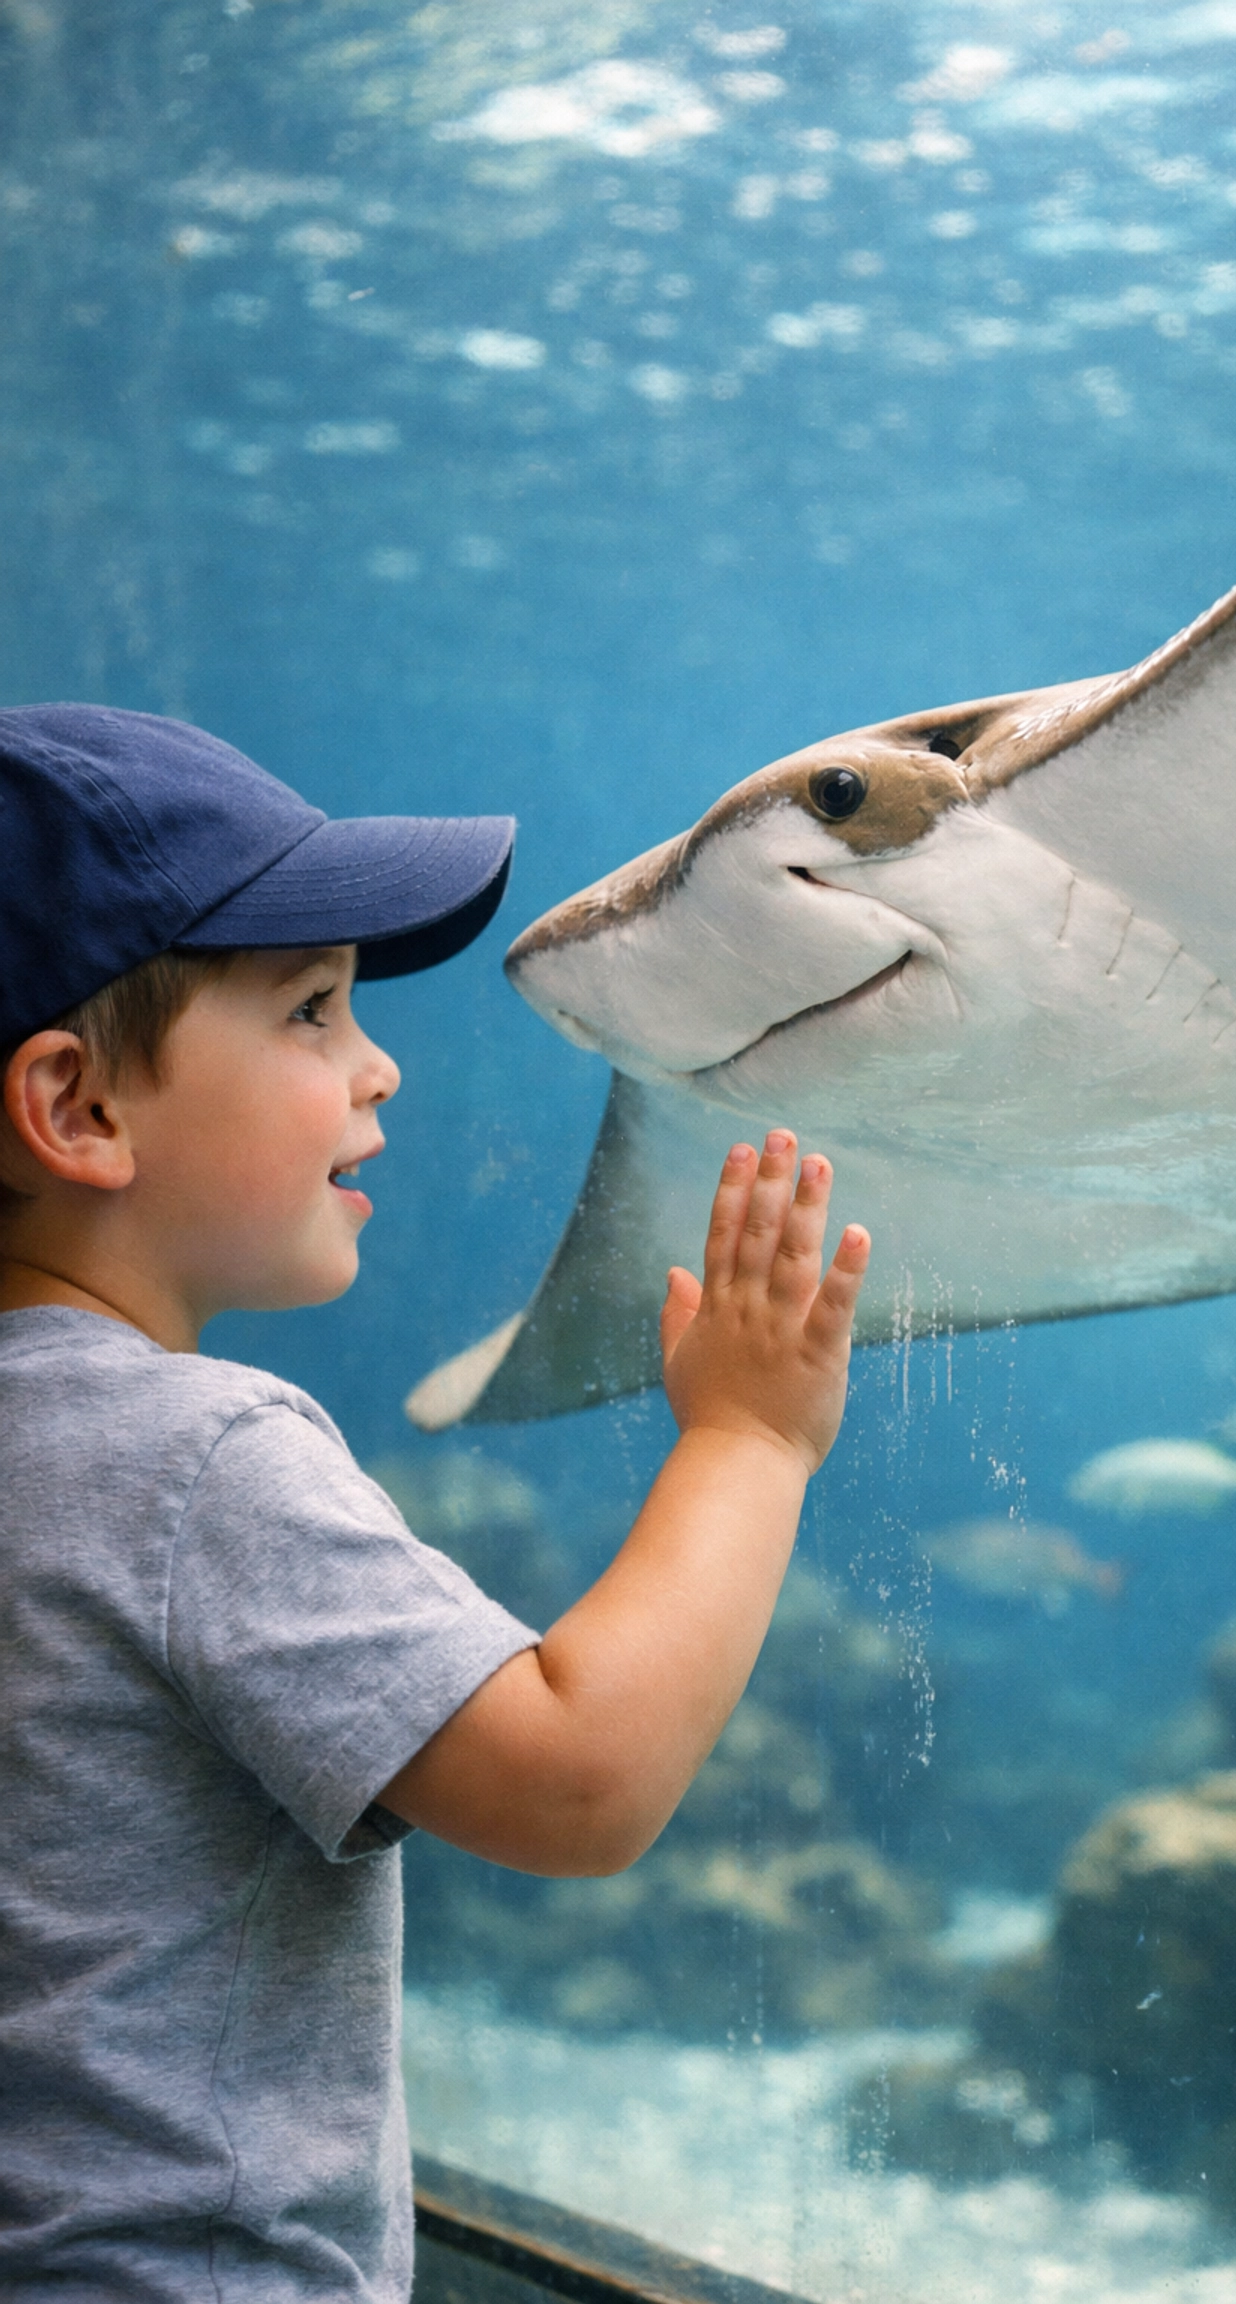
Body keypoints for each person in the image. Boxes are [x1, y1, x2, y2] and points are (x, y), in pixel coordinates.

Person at [0, 704, 870, 2302]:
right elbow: (576, 1785)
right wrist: (747, 1442)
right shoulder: (196, 1460)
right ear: (80, 1110)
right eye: (314, 1011)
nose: (379, 1061)